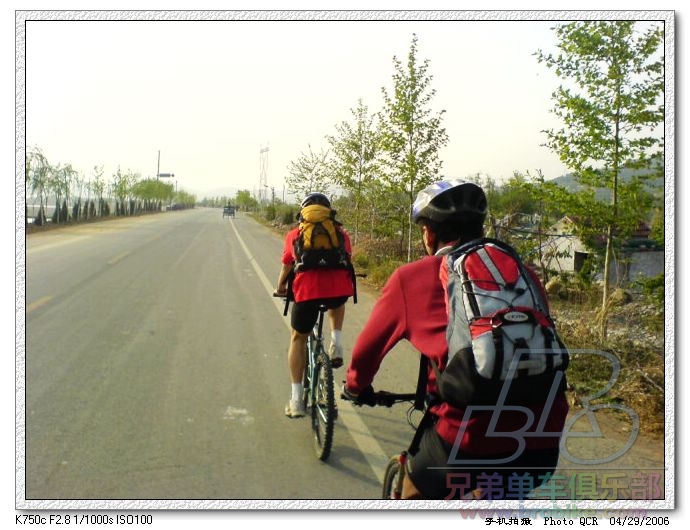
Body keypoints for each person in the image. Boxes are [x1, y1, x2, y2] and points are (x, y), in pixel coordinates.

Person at [342, 179, 568, 499]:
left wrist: (356, 387)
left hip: (467, 438)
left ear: (429, 234)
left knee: (413, 491)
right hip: (543, 438)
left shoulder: (412, 277)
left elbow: (366, 352)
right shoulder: (523, 272)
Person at [275, 192, 355, 418]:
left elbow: (287, 266)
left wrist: (280, 286)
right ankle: (336, 342)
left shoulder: (294, 234)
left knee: (298, 338)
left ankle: (296, 400)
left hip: (307, 293)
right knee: (338, 297)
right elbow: (347, 260)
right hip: (338, 292)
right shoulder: (341, 234)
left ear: (303, 213)